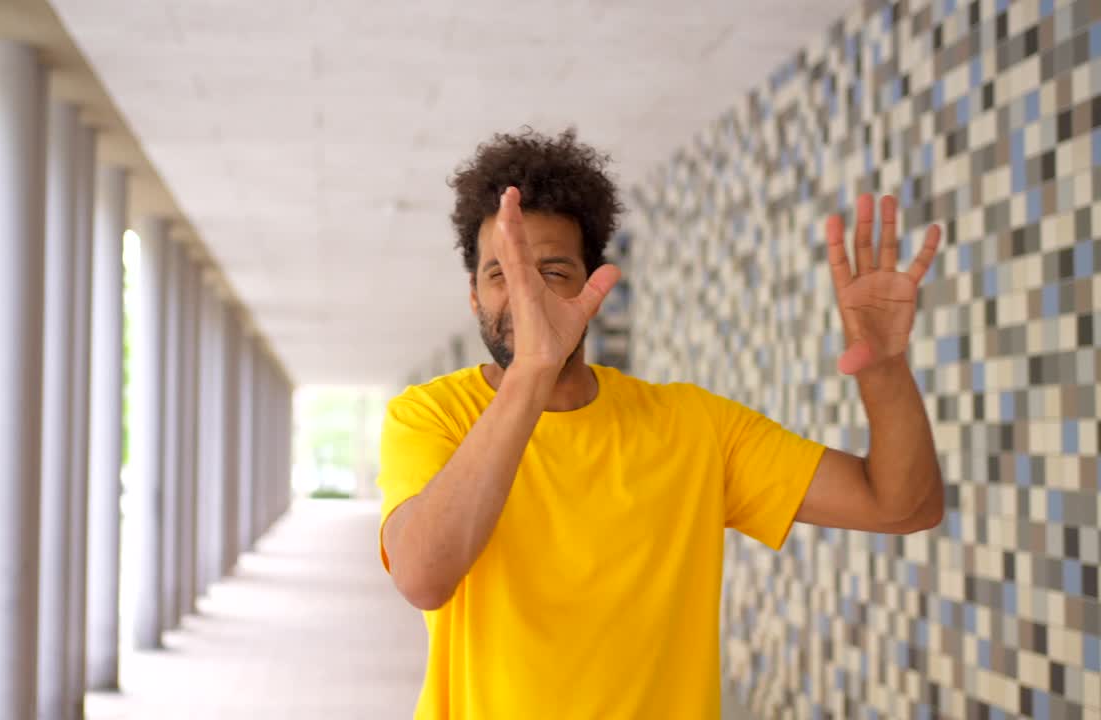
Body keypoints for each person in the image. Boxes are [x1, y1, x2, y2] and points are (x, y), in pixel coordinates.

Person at [376, 128, 943, 718]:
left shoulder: (693, 426)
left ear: (592, 285)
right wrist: (533, 372)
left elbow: (903, 506)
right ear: (473, 294)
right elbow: (422, 577)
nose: (527, 298)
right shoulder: (431, 415)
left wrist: (885, 371)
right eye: (502, 275)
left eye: (552, 271)